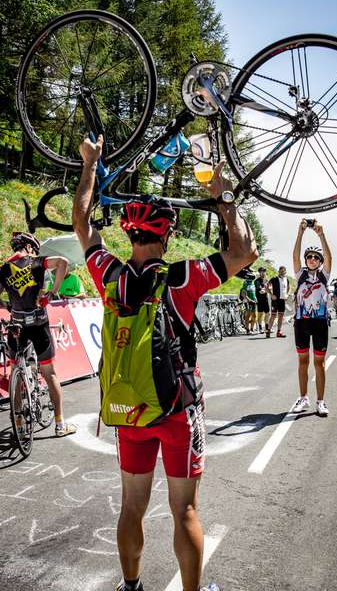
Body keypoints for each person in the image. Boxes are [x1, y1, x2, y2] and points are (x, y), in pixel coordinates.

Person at [72, 134, 258, 591]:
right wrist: (223, 198)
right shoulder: (182, 278)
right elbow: (245, 252)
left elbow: (80, 222)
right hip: (178, 409)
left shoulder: (107, 273)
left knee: (131, 506)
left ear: (128, 233)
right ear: (167, 234)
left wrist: (91, 164)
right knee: (185, 510)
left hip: (129, 408)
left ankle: (130, 585)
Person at [0, 232, 77, 437]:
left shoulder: (4, 269)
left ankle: (19, 422)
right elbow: (63, 262)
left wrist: (8, 305)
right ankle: (60, 425)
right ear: (28, 247)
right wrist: (52, 292)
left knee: (16, 368)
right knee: (50, 372)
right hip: (38, 323)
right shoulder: (36, 262)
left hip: (16, 324)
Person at [291, 220, 332, 417]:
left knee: (319, 364)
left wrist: (321, 235)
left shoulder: (324, 276)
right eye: (310, 257)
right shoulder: (300, 275)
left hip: (320, 323)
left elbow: (329, 257)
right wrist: (300, 233)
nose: (313, 259)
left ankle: (321, 401)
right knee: (303, 361)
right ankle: (303, 397)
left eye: (316, 257)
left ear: (320, 261)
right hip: (302, 323)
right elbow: (295, 255)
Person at [267, 265, 290, 338]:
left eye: (283, 271)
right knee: (273, 315)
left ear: (285, 272)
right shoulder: (274, 279)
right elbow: (267, 286)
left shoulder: (287, 279)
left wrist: (287, 294)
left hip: (282, 300)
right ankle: (268, 330)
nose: (282, 272)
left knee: (281, 316)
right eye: (281, 271)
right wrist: (271, 294)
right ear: (278, 271)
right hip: (275, 300)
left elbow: (289, 288)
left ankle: (279, 332)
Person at [255, 267, 270, 333]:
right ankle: (260, 328)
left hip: (266, 299)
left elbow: (270, 289)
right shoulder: (257, 281)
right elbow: (261, 291)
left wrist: (266, 290)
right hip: (259, 299)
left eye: (264, 271)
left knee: (267, 313)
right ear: (259, 273)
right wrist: (266, 289)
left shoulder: (267, 280)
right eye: (261, 271)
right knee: (260, 314)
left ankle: (266, 327)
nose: (263, 273)